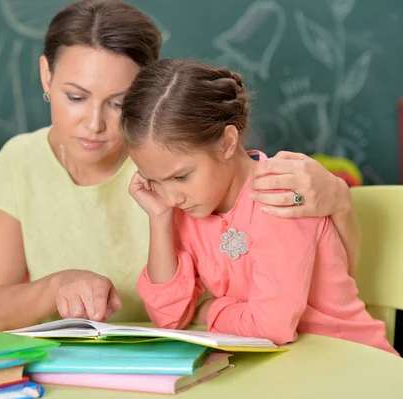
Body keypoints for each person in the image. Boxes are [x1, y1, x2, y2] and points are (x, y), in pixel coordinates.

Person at [0, 0, 361, 332]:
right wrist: (55, 287)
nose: (94, 123)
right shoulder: (22, 160)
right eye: (75, 96)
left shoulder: (181, 164)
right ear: (46, 76)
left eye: (118, 102)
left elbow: (328, 283)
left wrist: (340, 201)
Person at [121, 58, 398, 355]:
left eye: (181, 176)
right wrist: (160, 219)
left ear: (227, 143)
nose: (172, 196)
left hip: (347, 358)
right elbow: (169, 318)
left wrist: (212, 310)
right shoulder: (185, 206)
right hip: (282, 367)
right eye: (154, 180)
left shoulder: (281, 193)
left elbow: (270, 328)